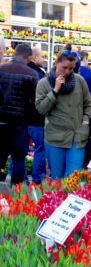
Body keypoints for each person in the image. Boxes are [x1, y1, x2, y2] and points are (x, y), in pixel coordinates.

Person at [35, 44, 91, 179]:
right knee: (57, 179)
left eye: (71, 68)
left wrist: (85, 121)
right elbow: (41, 109)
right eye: (64, 67)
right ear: (56, 63)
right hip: (55, 137)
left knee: (73, 179)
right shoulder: (44, 83)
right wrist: (55, 91)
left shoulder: (79, 81)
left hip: (77, 136)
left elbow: (89, 105)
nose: (67, 72)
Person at [0, 44, 37, 185]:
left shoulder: (1, 69)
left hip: (1, 120)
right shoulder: (31, 74)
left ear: (14, 53)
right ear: (28, 57)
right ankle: (17, 192)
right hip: (20, 123)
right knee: (19, 159)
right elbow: (35, 100)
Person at [26, 47, 47, 184]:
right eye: (42, 56)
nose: (44, 59)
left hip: (22, 118)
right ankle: (37, 179)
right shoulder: (38, 74)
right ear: (34, 57)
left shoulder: (25, 70)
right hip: (36, 118)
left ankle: (14, 176)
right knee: (40, 148)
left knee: (19, 150)